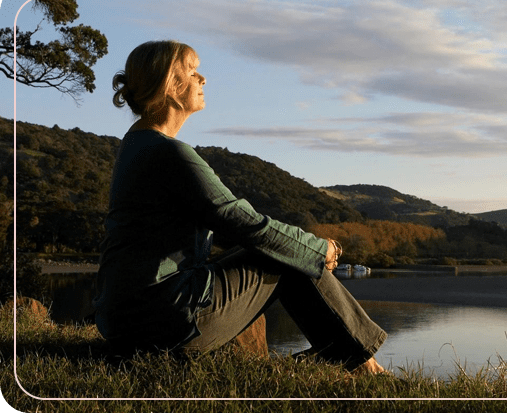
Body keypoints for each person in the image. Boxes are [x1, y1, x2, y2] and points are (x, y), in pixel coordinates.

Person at [92, 40, 388, 374]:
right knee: (285, 252)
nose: (203, 78)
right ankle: (365, 366)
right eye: (193, 70)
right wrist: (321, 248)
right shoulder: (168, 153)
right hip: (161, 323)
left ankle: (352, 357)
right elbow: (246, 224)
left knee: (284, 247)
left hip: (127, 321)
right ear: (171, 87)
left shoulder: (136, 145)